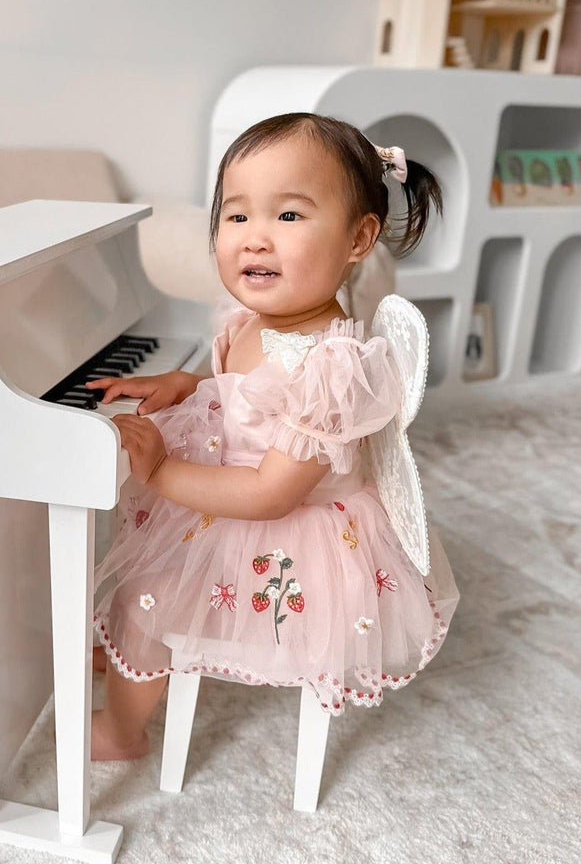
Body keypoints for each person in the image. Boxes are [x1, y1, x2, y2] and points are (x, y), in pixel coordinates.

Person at [86, 112, 460, 761]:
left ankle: (122, 731)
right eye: (236, 217)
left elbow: (270, 495)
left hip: (282, 525)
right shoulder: (253, 319)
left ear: (357, 238)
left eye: (288, 216)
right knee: (142, 572)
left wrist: (161, 473)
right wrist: (188, 381)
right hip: (233, 480)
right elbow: (238, 382)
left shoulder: (334, 368)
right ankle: (136, 652)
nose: (256, 239)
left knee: (148, 590)